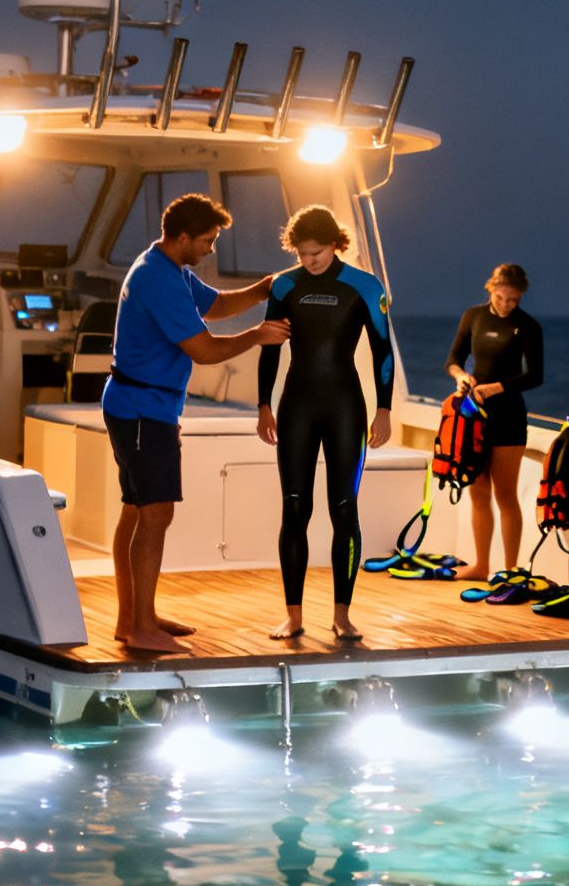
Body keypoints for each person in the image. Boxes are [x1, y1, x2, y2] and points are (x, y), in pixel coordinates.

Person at [104, 193, 290, 654]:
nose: (211, 250)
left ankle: (133, 618)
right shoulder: (157, 280)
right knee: (155, 514)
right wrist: (257, 335)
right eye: (207, 241)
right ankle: (141, 628)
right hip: (144, 410)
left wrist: (262, 289)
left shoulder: (170, 270)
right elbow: (204, 350)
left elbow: (215, 306)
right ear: (183, 237)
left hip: (143, 407)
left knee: (136, 509)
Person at [255, 206, 395, 643]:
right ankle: (293, 616)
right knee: (294, 508)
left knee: (343, 508)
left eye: (316, 252)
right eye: (302, 253)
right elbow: (270, 347)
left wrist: (384, 409)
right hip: (296, 404)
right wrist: (263, 404)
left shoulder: (365, 286)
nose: (310, 261)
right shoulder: (285, 284)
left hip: (344, 406)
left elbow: (382, 350)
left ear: (335, 243)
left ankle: (342, 615)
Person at [443, 263, 544, 581]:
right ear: (491, 289)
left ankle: (512, 570)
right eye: (502, 298)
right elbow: (453, 359)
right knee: (478, 490)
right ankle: (481, 565)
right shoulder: (473, 316)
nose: (507, 305)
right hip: (475, 414)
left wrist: (497, 387)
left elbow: (535, 375)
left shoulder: (527, 325)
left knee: (505, 494)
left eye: (514, 300)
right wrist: (461, 377)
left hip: (509, 415)